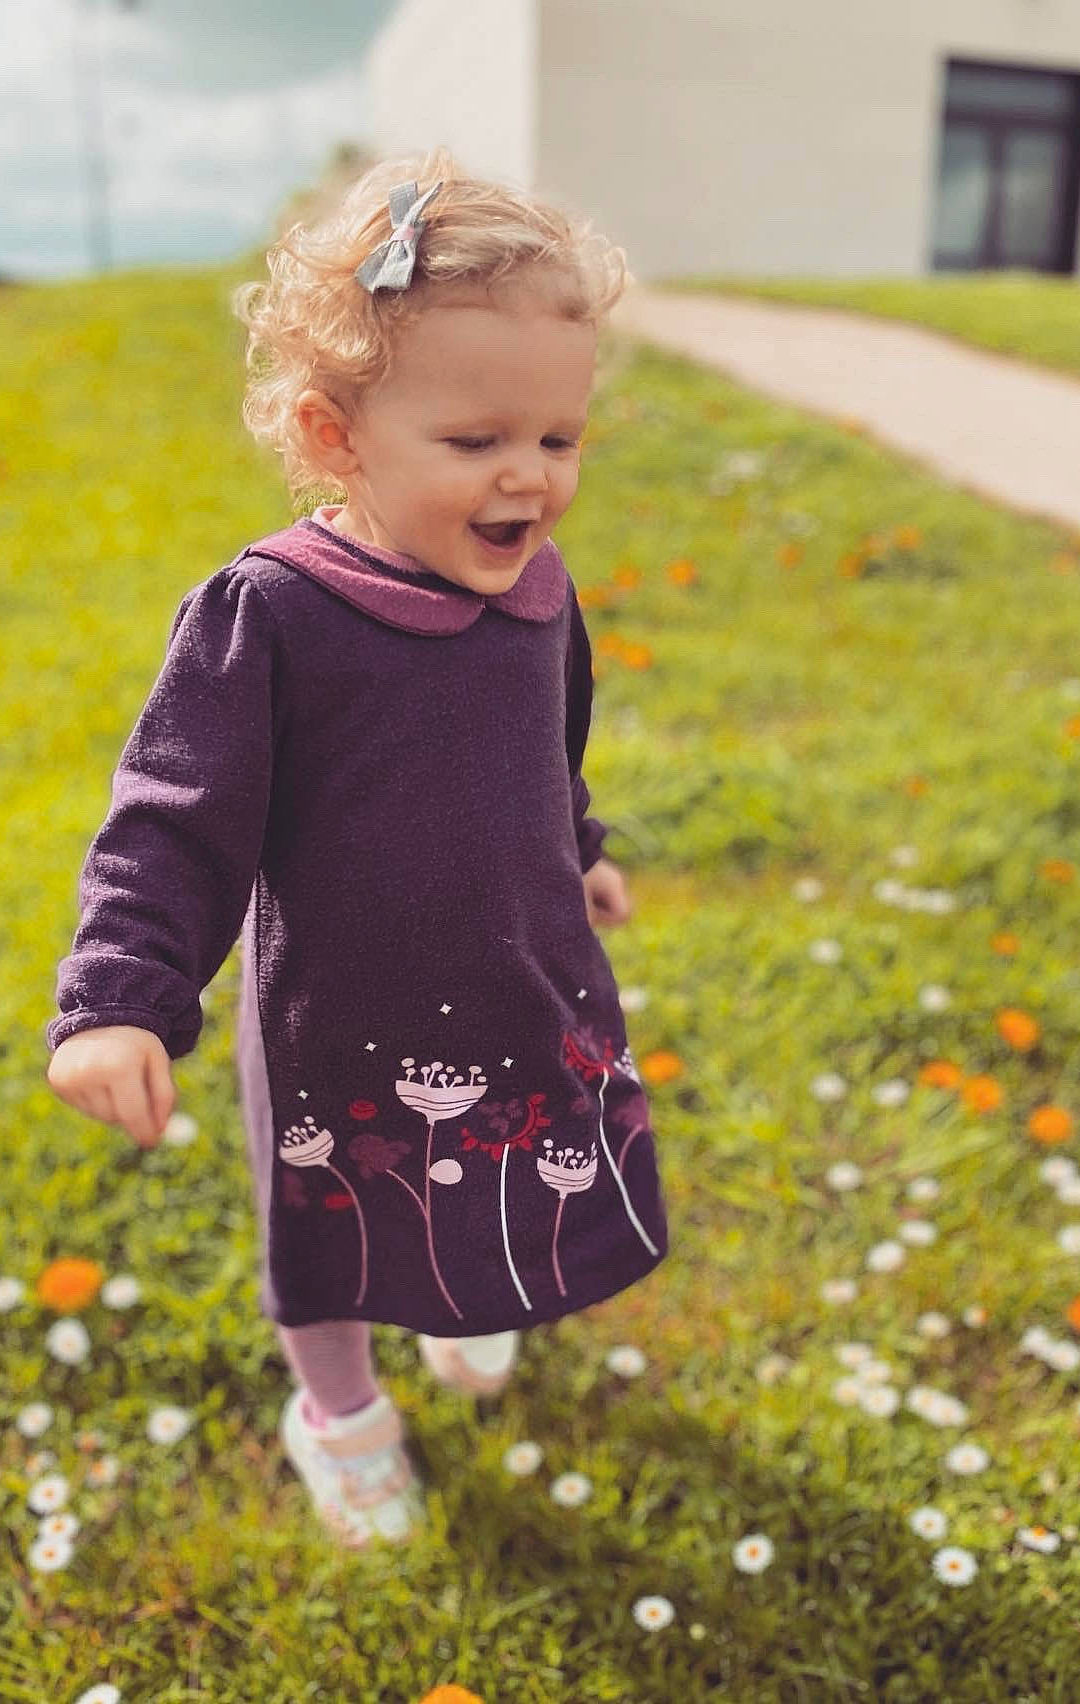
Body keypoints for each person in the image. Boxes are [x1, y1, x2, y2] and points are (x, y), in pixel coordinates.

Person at [43, 147, 671, 1550]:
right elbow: (172, 823)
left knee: (499, 1171)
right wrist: (118, 1002)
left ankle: (467, 1294)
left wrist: (576, 849)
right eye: (477, 442)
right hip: (341, 1021)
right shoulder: (271, 616)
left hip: (515, 984)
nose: (530, 478)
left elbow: (547, 750)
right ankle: (339, 1413)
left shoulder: (539, 592)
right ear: (335, 438)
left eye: (558, 440)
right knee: (334, 1223)